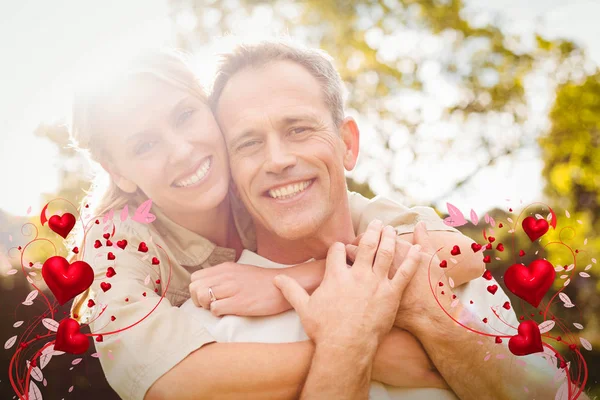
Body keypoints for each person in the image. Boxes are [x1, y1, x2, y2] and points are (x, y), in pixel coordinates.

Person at [69, 49, 481, 400]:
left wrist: (287, 281)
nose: (182, 150)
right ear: (118, 171)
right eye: (144, 145)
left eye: (185, 116)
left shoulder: (268, 181)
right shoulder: (112, 244)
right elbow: (167, 379)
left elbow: (459, 254)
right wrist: (366, 349)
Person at [180, 40, 573, 400]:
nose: (278, 159)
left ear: (347, 145)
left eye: (298, 129)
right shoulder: (204, 335)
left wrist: (421, 306)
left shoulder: (441, 265)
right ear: (229, 174)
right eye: (248, 143)